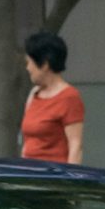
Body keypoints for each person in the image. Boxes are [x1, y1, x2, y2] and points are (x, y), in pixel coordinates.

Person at [20, 31, 84, 163]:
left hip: (53, 175)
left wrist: (70, 180)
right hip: (29, 172)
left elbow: (75, 145)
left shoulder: (69, 97)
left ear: (44, 65)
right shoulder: (34, 94)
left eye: (29, 63)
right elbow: (28, 143)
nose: (27, 68)